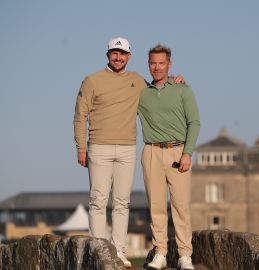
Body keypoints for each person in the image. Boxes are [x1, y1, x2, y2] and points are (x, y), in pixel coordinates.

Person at [73, 37, 184, 268]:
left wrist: (175, 81)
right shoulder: (92, 81)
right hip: (99, 147)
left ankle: (120, 251)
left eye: (122, 54)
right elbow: (80, 116)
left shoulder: (136, 81)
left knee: (123, 202)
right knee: (98, 200)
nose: (118, 57)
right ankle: (100, 251)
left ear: (129, 57)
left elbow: (158, 88)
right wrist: (81, 147)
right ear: (107, 55)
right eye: (114, 53)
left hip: (127, 148)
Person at [139, 44, 200, 270]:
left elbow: (194, 122)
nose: (157, 67)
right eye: (153, 63)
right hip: (151, 151)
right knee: (156, 206)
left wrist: (187, 152)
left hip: (178, 151)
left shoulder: (183, 90)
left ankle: (185, 255)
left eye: (161, 63)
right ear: (149, 65)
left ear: (169, 64)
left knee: (180, 205)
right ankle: (160, 253)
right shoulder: (142, 93)